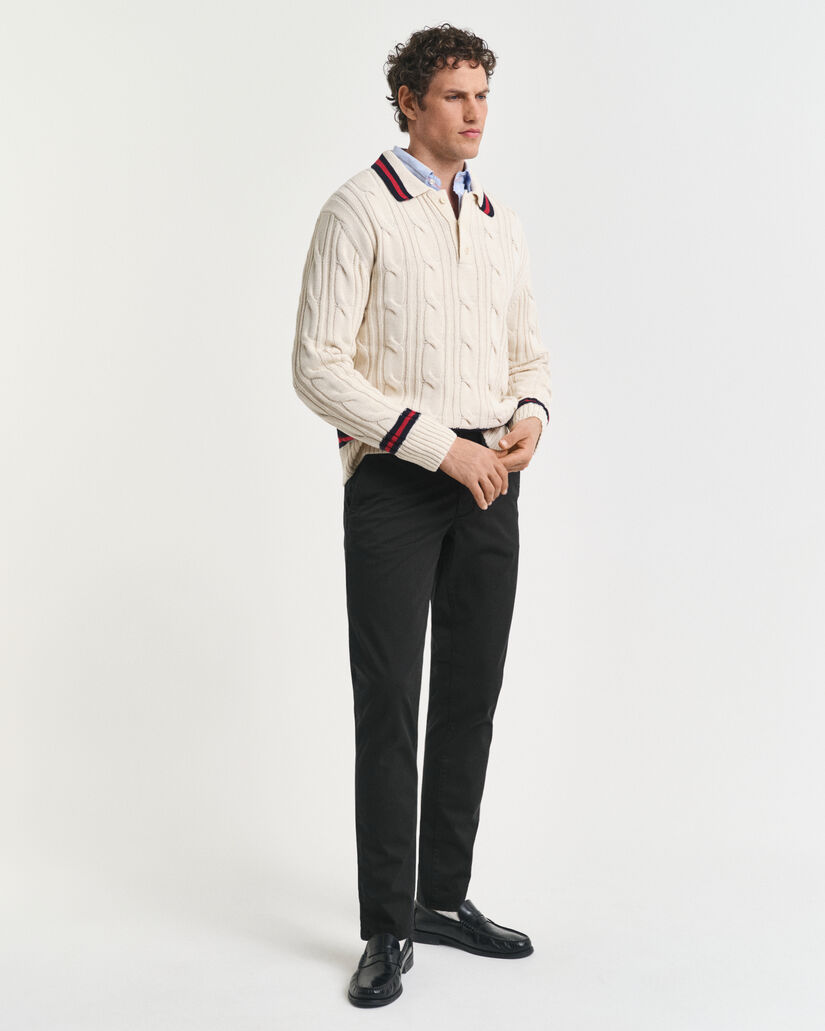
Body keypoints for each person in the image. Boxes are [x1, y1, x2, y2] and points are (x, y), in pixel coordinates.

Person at [291, 23, 552, 1008]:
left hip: (491, 481)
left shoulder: (496, 218)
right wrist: (441, 446)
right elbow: (317, 366)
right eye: (454, 95)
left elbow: (529, 352)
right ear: (408, 100)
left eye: (482, 95)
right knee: (391, 701)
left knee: (470, 694)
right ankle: (386, 924)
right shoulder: (359, 209)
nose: (475, 113)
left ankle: (441, 897)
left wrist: (530, 416)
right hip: (399, 484)